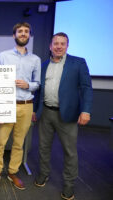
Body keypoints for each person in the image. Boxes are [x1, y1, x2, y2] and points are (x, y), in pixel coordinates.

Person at [33, 32, 93, 200]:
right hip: (45, 113)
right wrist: (35, 110)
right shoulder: (43, 65)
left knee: (70, 152)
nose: (59, 46)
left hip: (68, 115)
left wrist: (86, 110)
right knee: (43, 148)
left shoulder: (78, 63)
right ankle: (43, 174)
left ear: (67, 46)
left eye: (62, 43)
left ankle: (68, 184)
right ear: (50, 46)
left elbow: (86, 88)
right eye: (56, 43)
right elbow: (39, 90)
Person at [0, 22, 41, 190]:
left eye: (26, 31)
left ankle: (13, 172)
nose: (23, 34)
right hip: (6, 104)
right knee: (0, 141)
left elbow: (37, 83)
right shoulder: (3, 56)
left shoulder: (36, 59)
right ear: (14, 35)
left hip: (26, 106)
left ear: (29, 35)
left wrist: (27, 85)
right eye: (20, 31)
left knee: (19, 143)